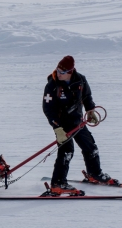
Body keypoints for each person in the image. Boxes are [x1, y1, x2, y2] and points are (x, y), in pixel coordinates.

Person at [42, 55, 116, 195]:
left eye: (62, 72)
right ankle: (58, 183)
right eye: (57, 70)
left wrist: (90, 110)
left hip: (77, 121)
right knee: (66, 152)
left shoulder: (80, 79)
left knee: (90, 147)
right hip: (62, 125)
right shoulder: (52, 85)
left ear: (70, 72)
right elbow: (48, 109)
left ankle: (94, 174)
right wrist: (57, 128)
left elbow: (87, 96)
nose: (58, 73)